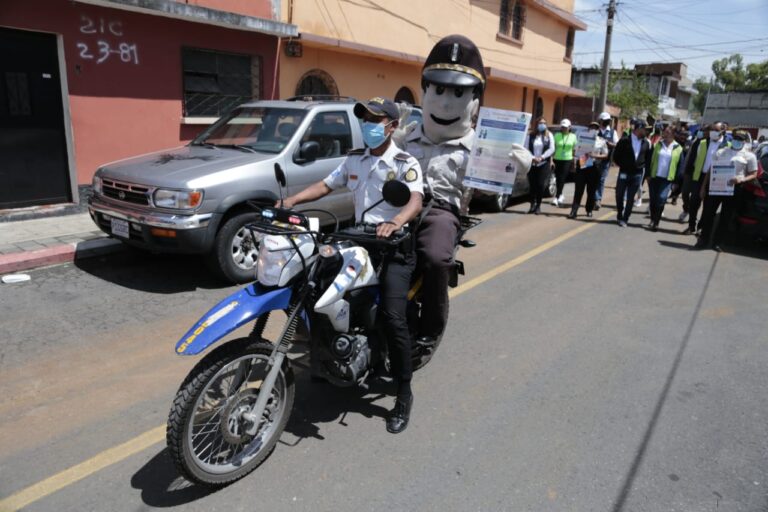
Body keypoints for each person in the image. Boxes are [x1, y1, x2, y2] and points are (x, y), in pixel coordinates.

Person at [279, 97, 424, 433]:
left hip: (393, 248)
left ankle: (403, 392)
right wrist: (292, 201)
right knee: (315, 289)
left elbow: (415, 200)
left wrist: (396, 221)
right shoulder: (355, 159)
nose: (368, 125)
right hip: (360, 241)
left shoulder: (404, 162)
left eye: (375, 119)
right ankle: (326, 359)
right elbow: (325, 185)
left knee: (392, 316)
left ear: (392, 126)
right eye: (365, 119)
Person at [405, 34, 486, 352]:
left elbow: (494, 181)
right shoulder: (406, 136)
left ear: (475, 101)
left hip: (441, 210)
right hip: (399, 206)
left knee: (436, 259)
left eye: (458, 93)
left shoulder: (480, 146)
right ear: (425, 91)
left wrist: (511, 163)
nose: (446, 103)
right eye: (438, 90)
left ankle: (430, 327)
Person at [695, 129, 758, 250]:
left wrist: (742, 179)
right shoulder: (721, 152)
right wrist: (703, 187)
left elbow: (753, 174)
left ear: (744, 141)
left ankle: (717, 242)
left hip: (734, 188)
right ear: (732, 139)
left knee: (726, 216)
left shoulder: (750, 156)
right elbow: (710, 170)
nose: (737, 141)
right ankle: (703, 239)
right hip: (716, 186)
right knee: (708, 213)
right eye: (735, 138)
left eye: (740, 139)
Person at [679, 123, 727, 235]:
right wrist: (687, 174)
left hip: (715, 179)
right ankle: (691, 226)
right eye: (712, 129)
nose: (713, 132)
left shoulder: (727, 145)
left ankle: (701, 227)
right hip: (699, 177)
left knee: (708, 206)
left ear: (723, 131)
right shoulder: (702, 142)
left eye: (716, 130)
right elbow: (692, 159)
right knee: (694, 202)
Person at [613, 120, 651, 227]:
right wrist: (623, 165)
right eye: (645, 129)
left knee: (631, 197)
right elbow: (616, 156)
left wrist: (646, 173)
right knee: (619, 194)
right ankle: (620, 214)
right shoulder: (624, 140)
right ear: (638, 129)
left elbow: (648, 160)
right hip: (624, 172)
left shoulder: (646, 143)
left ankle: (625, 218)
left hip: (637, 174)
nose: (646, 132)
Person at [646, 126, 683, 231]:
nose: (664, 134)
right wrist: (647, 175)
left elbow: (680, 166)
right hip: (654, 177)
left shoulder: (678, 148)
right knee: (653, 200)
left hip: (667, 179)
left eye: (667, 132)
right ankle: (652, 219)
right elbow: (649, 159)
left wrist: (676, 182)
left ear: (673, 134)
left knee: (661, 199)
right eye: (664, 132)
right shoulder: (657, 144)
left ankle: (656, 222)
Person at [569, 121, 607, 219]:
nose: (593, 129)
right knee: (579, 189)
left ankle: (589, 209)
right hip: (582, 163)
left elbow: (605, 154)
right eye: (592, 127)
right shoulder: (581, 138)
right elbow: (574, 151)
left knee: (591, 190)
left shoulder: (601, 140)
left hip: (594, 166)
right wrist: (576, 157)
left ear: (598, 130)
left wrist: (595, 155)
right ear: (588, 129)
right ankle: (574, 210)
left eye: (596, 128)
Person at [527, 117, 554, 214]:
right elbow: (526, 148)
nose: (542, 125)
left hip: (543, 163)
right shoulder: (530, 135)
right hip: (532, 163)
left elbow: (551, 149)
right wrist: (532, 157)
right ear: (536, 124)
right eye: (540, 123)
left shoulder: (549, 135)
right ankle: (532, 205)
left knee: (541, 185)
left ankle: (538, 205)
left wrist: (542, 157)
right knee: (532, 185)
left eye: (544, 123)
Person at [594, 111, 618, 210]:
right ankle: (594, 198)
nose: (607, 122)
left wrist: (609, 143)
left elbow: (617, 144)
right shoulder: (595, 131)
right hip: (594, 159)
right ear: (600, 121)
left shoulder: (612, 132)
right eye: (605, 120)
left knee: (601, 179)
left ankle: (597, 199)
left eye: (608, 120)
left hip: (606, 160)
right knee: (594, 179)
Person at [552, 119, 577, 207]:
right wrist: (551, 159)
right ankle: (560, 194)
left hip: (567, 159)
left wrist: (574, 161)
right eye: (562, 127)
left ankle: (557, 197)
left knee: (562, 178)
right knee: (557, 178)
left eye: (566, 127)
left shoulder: (573, 136)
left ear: (569, 127)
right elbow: (553, 148)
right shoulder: (557, 135)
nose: (564, 128)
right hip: (557, 159)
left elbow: (574, 149)